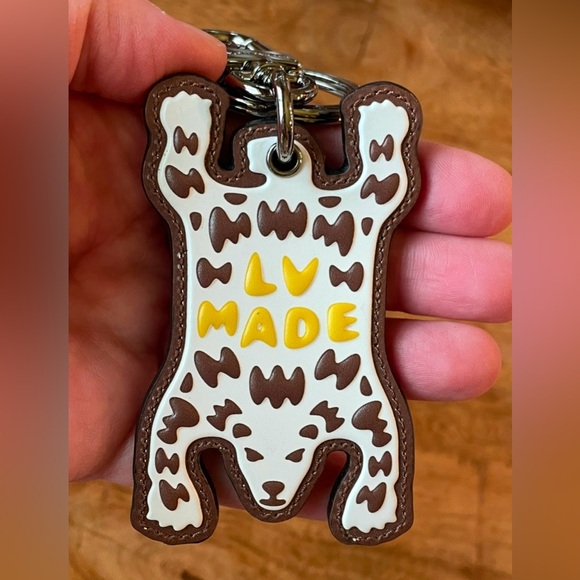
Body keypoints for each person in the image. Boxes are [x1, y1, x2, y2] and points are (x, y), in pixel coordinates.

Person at [69, 0, 512, 517]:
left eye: (260, 463)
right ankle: (373, 147)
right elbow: (380, 442)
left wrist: (172, 495)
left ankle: (199, 135)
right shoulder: (342, 402)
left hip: (241, 224)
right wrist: (374, 501)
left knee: (202, 199)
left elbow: (170, 436)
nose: (274, 491)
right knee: (355, 209)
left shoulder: (203, 399)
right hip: (310, 228)